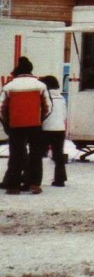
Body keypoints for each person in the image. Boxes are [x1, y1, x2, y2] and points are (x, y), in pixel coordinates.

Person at [1, 57, 51, 194]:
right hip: (35, 125)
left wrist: (8, 123)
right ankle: (34, 184)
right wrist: (39, 119)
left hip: (15, 125)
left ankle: (13, 186)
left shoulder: (8, 87)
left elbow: (2, 108)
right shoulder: (40, 86)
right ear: (31, 70)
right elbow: (48, 107)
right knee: (35, 155)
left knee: (16, 155)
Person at [38, 75, 68, 187]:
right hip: (59, 129)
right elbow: (64, 115)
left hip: (45, 129)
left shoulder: (44, 97)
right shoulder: (61, 98)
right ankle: (60, 179)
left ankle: (32, 178)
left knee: (37, 154)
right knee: (58, 155)